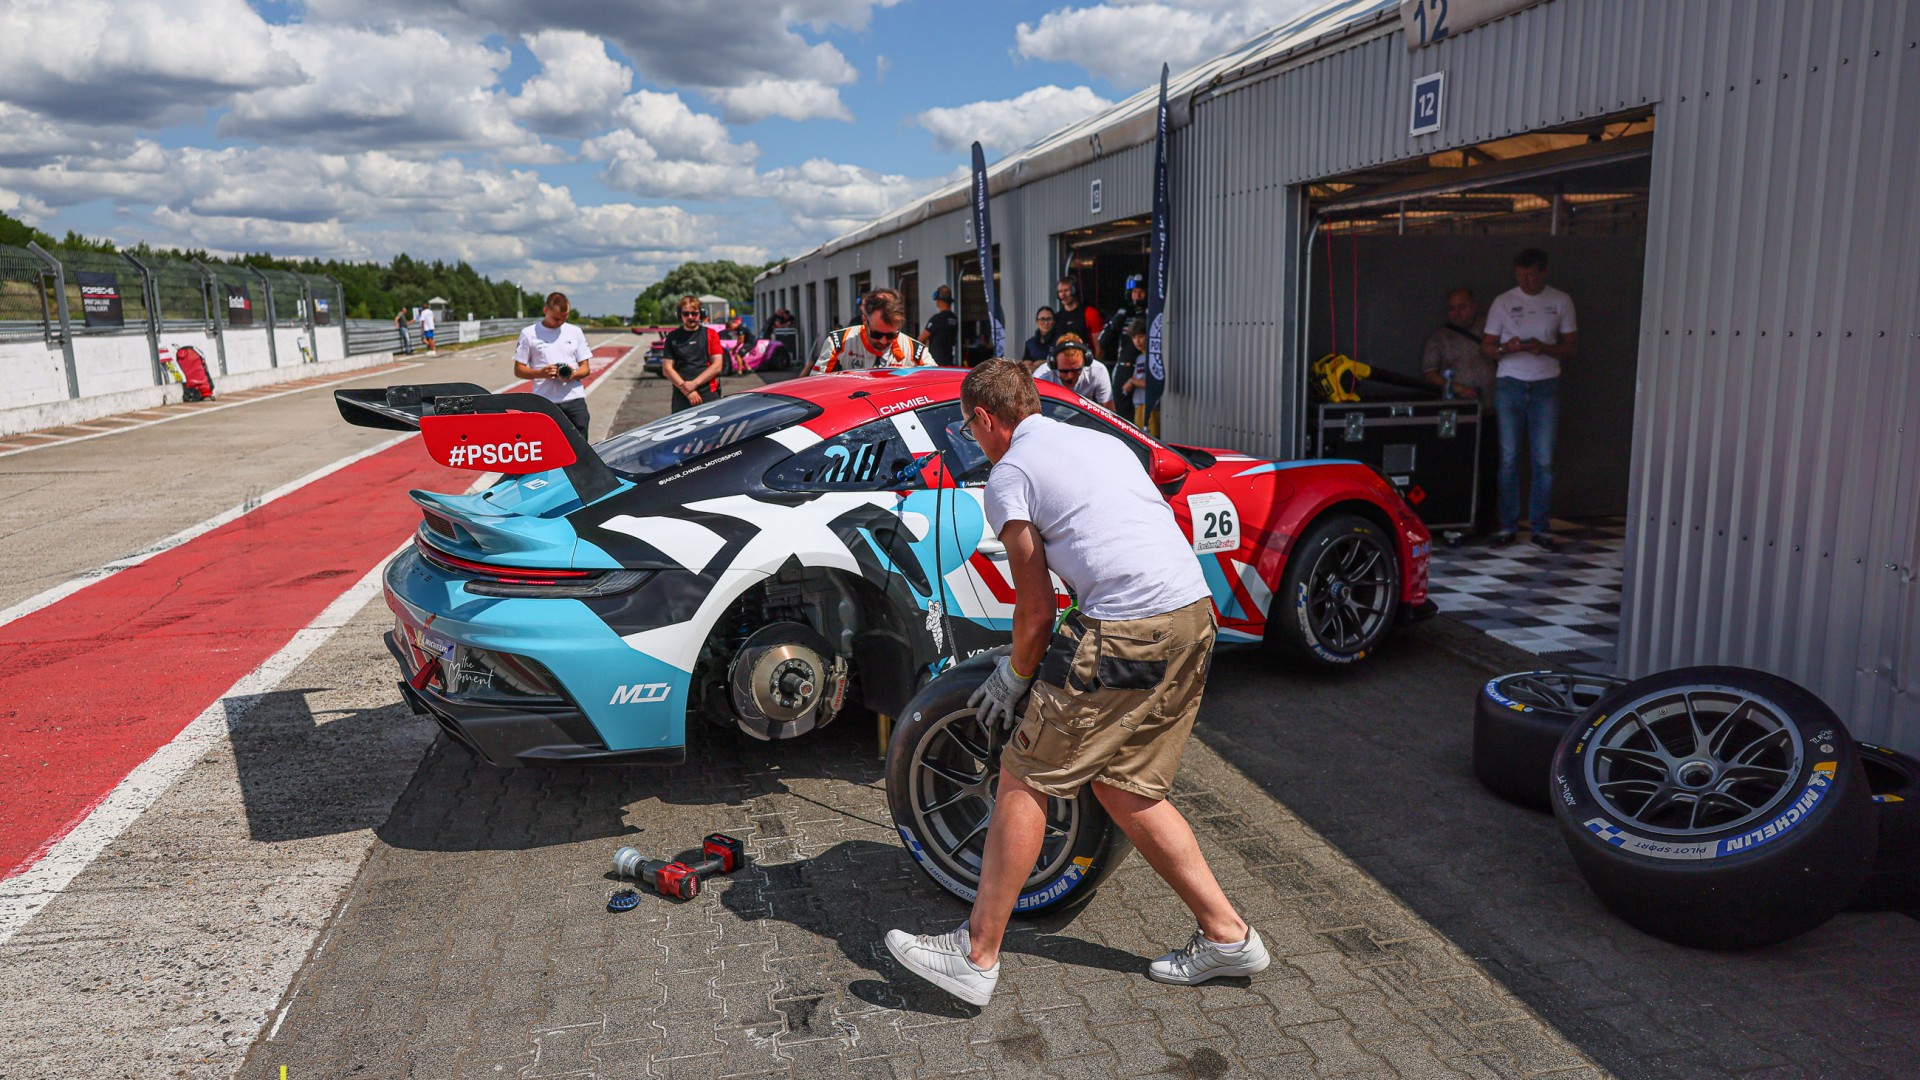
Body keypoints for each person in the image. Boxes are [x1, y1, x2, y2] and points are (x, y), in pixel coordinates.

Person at [885, 360, 1266, 1007]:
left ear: (983, 418)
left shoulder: (1009, 475)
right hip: (1194, 617)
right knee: (1125, 785)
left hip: (1127, 630)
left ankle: (976, 956)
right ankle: (1229, 936)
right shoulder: (1100, 441)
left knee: (1027, 773)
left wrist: (1016, 674)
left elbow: (1032, 611)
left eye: (970, 428)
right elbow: (1109, 539)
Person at [1481, 249, 1578, 551]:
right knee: (1508, 458)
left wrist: (1545, 349)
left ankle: (1540, 526)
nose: (1525, 281)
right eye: (1520, 276)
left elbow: (1570, 347)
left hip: (1545, 386)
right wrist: (1505, 348)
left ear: (1544, 273)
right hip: (1509, 382)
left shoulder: (1561, 300)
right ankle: (1508, 525)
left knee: (1543, 460)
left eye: (1531, 276)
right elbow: (1486, 347)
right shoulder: (1503, 301)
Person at [1422, 288, 1496, 530]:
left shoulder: (1491, 329)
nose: (1457, 312)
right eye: (1452, 307)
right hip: (1457, 418)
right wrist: (1457, 387)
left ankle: (1487, 522)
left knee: (1491, 466)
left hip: (1489, 411)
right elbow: (1429, 373)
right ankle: (1454, 519)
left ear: (1474, 306)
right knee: (1457, 468)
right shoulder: (1440, 337)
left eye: (1462, 306)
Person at [513, 291, 595, 434]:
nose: (560, 322)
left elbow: (586, 368)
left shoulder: (575, 332)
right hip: (545, 401)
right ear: (546, 310)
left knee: (582, 449)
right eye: (556, 319)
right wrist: (541, 373)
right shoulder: (529, 333)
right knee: (547, 448)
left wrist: (572, 374)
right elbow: (518, 370)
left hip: (574, 399)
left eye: (564, 318)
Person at [810, 287, 934, 374]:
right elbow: (816, 386)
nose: (884, 341)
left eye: (891, 335)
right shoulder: (839, 343)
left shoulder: (915, 351)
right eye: (877, 334)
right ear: (864, 320)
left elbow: (936, 382)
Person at [660, 294, 725, 412]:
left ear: (701, 313)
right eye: (686, 314)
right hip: (682, 395)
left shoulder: (711, 334)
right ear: (680, 314)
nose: (690, 317)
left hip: (707, 393)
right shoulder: (673, 337)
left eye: (694, 313)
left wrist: (694, 384)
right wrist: (687, 390)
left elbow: (717, 366)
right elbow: (667, 368)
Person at [1032, 333, 1114, 407]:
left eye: (1076, 370)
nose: (1070, 376)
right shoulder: (1041, 377)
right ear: (1054, 364)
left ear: (1086, 361)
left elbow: (1109, 411)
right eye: (1064, 371)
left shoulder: (1098, 371)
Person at [1100, 274, 1148, 365]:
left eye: (1141, 292)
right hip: (1124, 365)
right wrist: (1117, 320)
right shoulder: (1123, 313)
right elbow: (1103, 341)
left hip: (1146, 363)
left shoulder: (1152, 314)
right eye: (1134, 292)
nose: (1137, 295)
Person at [1052, 278, 1104, 359]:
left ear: (1074, 291)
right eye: (1060, 291)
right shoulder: (1057, 317)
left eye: (1066, 290)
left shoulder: (1090, 313)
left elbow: (1099, 347)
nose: (1063, 294)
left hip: (1085, 362)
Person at [1120, 318, 1152, 431]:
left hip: (1151, 407)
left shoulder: (1153, 358)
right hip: (1138, 404)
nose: (1137, 341)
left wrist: (1132, 382)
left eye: (1140, 337)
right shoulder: (1139, 358)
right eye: (1134, 337)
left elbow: (1151, 383)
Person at [923, 284, 960, 366]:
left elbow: (921, 338)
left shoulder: (937, 319)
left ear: (940, 301)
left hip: (935, 362)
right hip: (949, 361)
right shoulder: (954, 319)